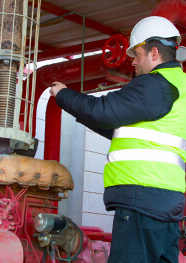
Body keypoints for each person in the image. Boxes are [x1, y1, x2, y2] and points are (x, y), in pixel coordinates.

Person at [50, 16, 186, 263]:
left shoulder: (156, 85)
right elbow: (115, 125)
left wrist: (62, 95)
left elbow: (102, 111)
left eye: (138, 54)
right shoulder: (180, 87)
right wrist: (83, 112)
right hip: (167, 205)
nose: (133, 62)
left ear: (154, 53)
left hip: (141, 200)